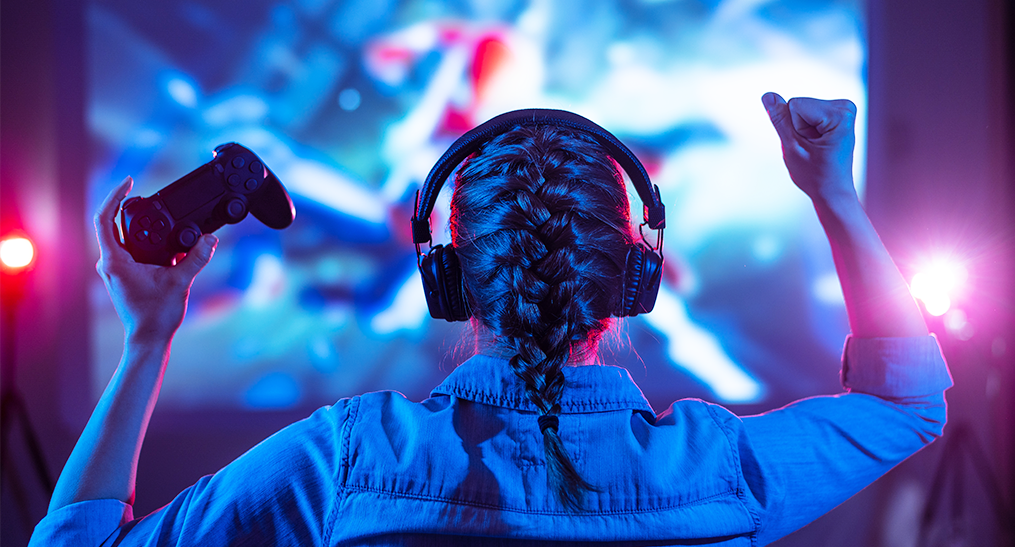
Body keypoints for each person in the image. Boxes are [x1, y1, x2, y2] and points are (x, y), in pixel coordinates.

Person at [30, 94, 951, 546]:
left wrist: (148, 339)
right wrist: (834, 192)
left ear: (447, 278)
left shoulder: (351, 458)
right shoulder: (721, 470)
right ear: (638, 276)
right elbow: (907, 399)